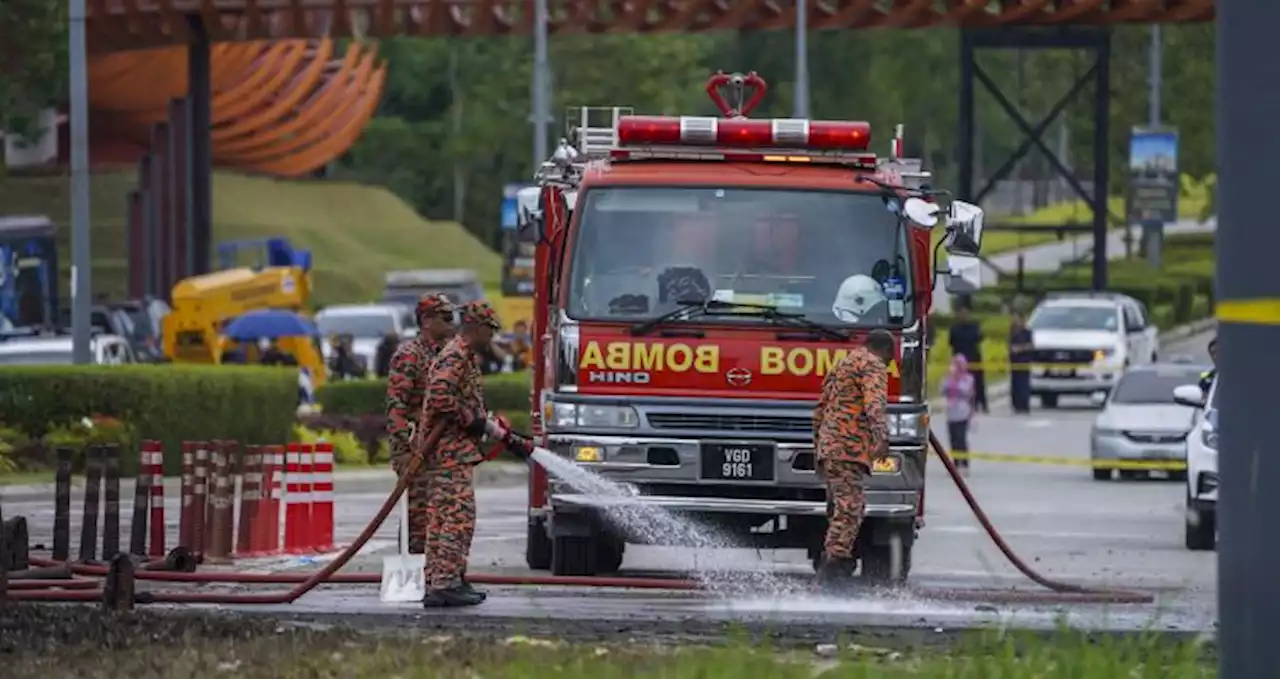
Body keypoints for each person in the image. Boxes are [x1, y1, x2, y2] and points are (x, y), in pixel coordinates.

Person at [418, 300, 532, 608]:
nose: (492, 338)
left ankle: (443, 579)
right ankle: (445, 584)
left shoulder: (461, 355)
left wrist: (491, 427)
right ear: (477, 328)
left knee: (443, 519)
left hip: (450, 453)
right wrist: (474, 420)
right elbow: (442, 396)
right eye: (490, 331)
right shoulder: (456, 356)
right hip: (449, 454)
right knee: (457, 518)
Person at [811, 328, 895, 589]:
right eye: (890, 359)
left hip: (830, 446)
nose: (889, 365)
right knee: (850, 509)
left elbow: (820, 409)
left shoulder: (844, 363)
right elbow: (874, 404)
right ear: (885, 351)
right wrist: (881, 437)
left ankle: (833, 563)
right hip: (849, 447)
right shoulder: (872, 364)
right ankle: (832, 571)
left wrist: (819, 445)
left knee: (838, 509)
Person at [384, 294, 456, 555]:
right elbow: (396, 405)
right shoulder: (410, 355)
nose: (451, 324)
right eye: (445, 318)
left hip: (440, 449)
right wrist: (404, 450)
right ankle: (414, 571)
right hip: (416, 449)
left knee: (442, 515)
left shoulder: (445, 354)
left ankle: (437, 572)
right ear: (426, 320)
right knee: (419, 517)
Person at [948, 303, 987, 413]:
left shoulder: (974, 327)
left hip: (974, 359)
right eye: (961, 314)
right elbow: (952, 344)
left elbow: (979, 339)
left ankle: (981, 404)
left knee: (978, 383)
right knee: (960, 384)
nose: (964, 316)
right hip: (960, 361)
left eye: (966, 314)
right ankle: (962, 403)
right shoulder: (954, 329)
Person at [942, 355, 976, 475]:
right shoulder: (948, 379)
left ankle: (964, 464)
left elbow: (966, 392)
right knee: (953, 440)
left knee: (961, 439)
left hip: (962, 413)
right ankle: (955, 464)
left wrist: (956, 383)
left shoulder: (968, 379)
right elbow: (943, 389)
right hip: (951, 413)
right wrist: (951, 378)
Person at [1007, 311, 1034, 414]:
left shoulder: (1027, 332)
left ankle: (1024, 404)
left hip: (1024, 361)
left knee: (1024, 384)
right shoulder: (1013, 332)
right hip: (1014, 362)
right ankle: (1016, 404)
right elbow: (1011, 347)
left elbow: (1030, 346)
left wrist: (1020, 348)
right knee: (1015, 384)